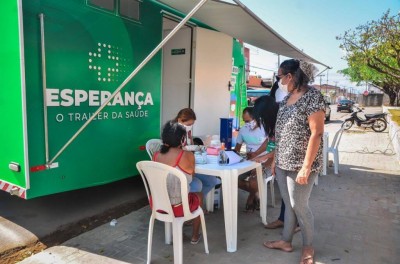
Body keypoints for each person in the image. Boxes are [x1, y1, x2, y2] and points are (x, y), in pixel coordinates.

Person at [263, 59, 325, 264]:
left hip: (301, 164)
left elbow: (316, 134)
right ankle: (286, 242)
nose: (278, 80)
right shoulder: (289, 97)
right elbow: (280, 132)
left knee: (300, 206)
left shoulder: (313, 97)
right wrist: (274, 159)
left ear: (290, 76)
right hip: (282, 161)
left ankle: (308, 247)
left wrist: (306, 167)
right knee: (288, 205)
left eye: (279, 76)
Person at [152, 121, 202, 244]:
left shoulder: (156, 155)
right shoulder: (187, 155)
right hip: (179, 208)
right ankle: (195, 235)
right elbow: (191, 176)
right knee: (199, 193)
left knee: (195, 186)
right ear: (182, 139)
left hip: (158, 205)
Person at [174, 108, 220, 198]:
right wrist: (187, 148)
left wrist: (198, 147)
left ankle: (196, 204)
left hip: (190, 163)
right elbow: (175, 151)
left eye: (192, 124)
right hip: (179, 168)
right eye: (189, 124)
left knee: (212, 181)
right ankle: (189, 207)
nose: (190, 126)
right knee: (197, 184)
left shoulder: (188, 132)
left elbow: (190, 147)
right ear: (179, 120)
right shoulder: (173, 132)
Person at [234, 107, 268, 212]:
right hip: (249, 161)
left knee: (253, 181)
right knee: (234, 179)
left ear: (256, 118)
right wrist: (234, 157)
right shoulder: (243, 130)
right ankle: (255, 194)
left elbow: (269, 145)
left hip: (266, 160)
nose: (246, 123)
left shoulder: (265, 128)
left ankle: (251, 198)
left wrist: (256, 154)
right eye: (244, 121)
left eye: (248, 121)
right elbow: (237, 148)